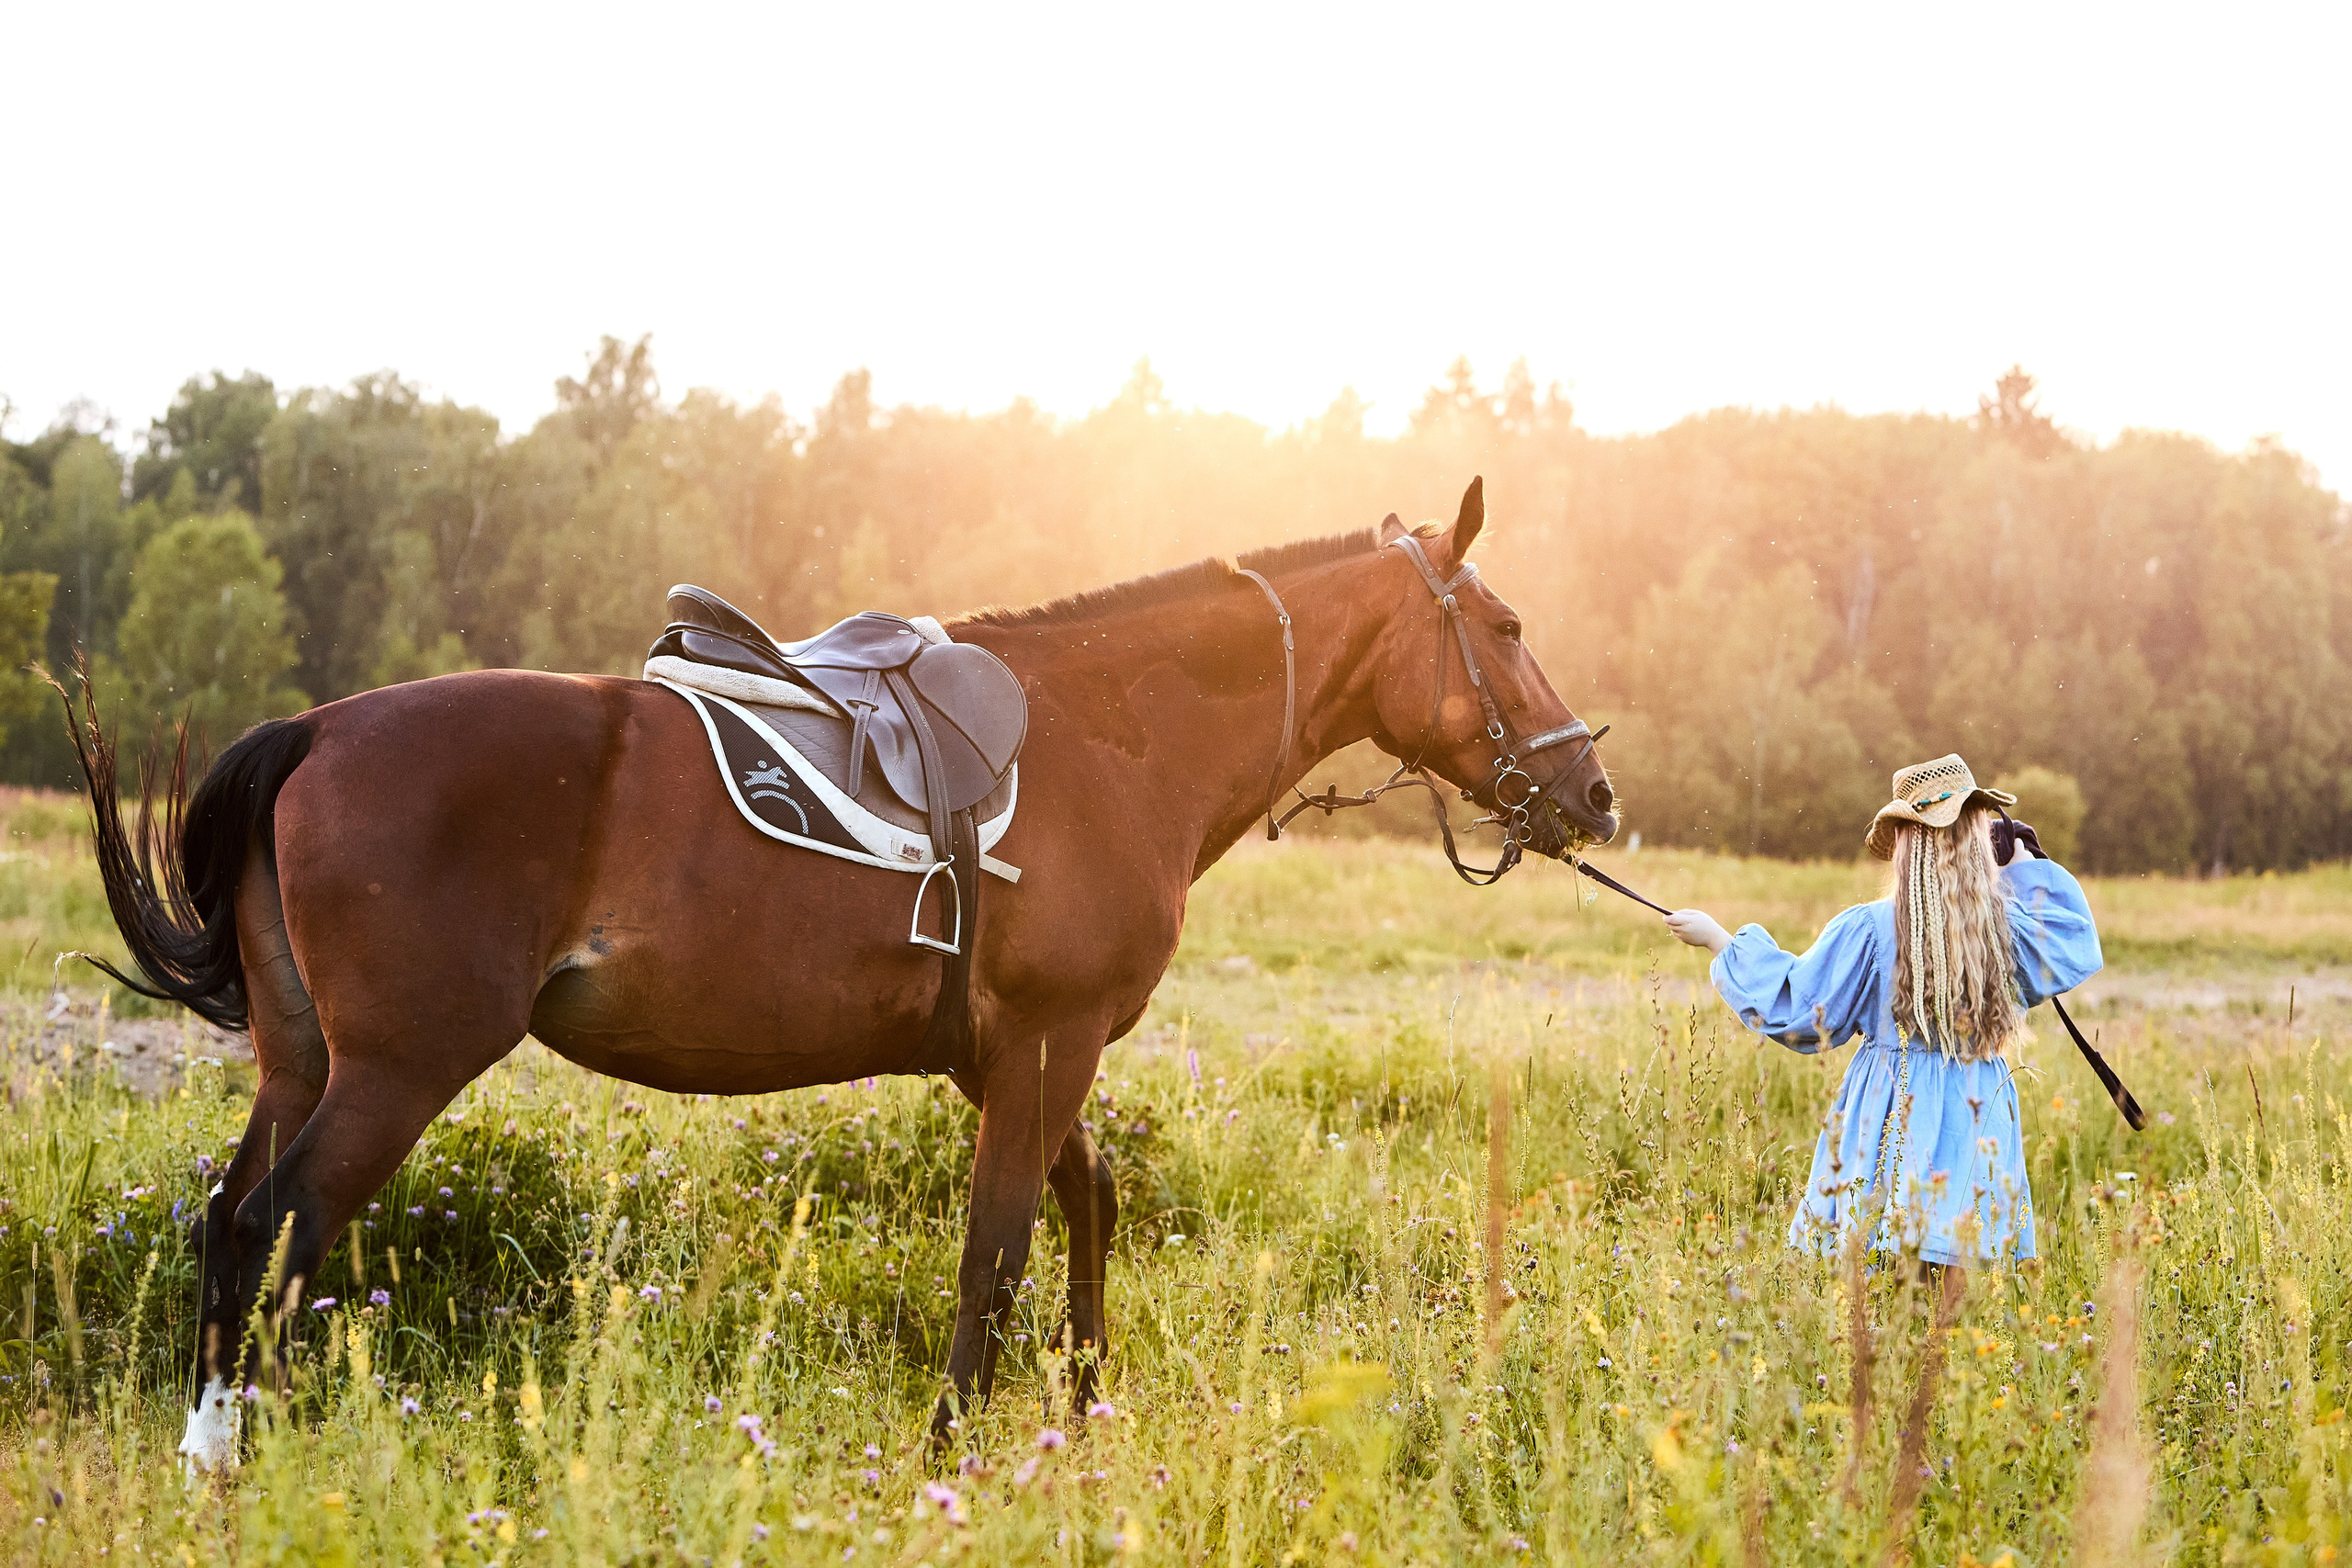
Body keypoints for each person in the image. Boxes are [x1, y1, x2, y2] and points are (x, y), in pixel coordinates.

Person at [1663, 755, 2102, 1269]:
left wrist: (1720, 941)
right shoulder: (2006, 928)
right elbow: (2074, 938)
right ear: (1981, 841)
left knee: (1879, 1268)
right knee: (1954, 1272)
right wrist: (2025, 862)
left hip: (1893, 1105)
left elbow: (1800, 1011)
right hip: (1978, 1108)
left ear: (1904, 847)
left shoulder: (1871, 929)